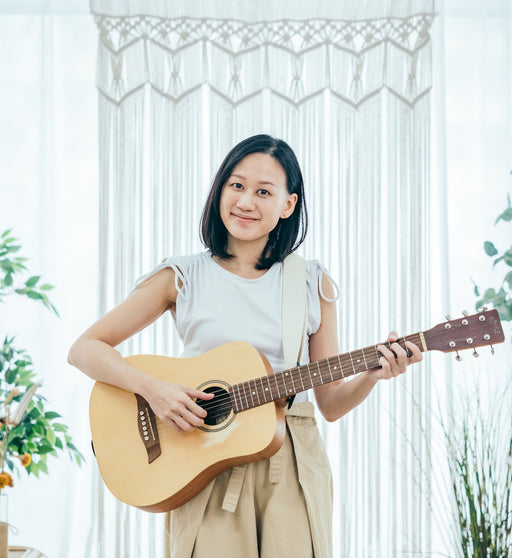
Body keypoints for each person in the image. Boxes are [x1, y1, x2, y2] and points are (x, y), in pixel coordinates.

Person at [68, 134, 423, 558]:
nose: (246, 202)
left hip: (291, 464)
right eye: (236, 185)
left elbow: (329, 404)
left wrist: (372, 375)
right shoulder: (182, 276)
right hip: (201, 458)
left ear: (288, 204)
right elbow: (85, 348)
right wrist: (155, 391)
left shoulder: (311, 282)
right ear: (220, 190)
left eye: (264, 192)